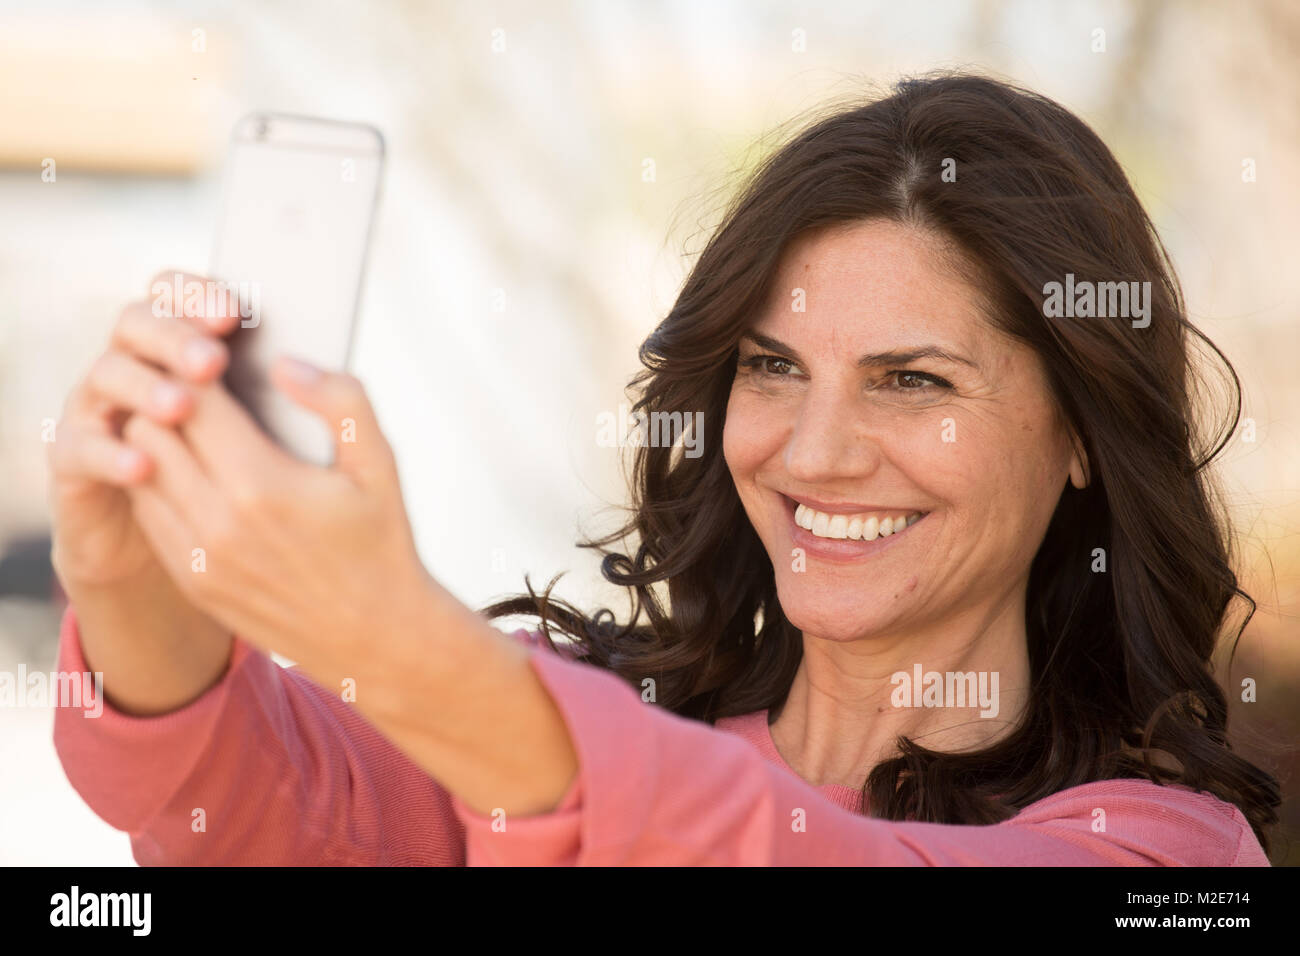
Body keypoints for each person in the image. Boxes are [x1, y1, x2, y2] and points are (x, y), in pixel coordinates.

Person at [49, 72, 1278, 865]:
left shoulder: (1162, 853)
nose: (814, 450)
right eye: (771, 367)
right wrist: (127, 569)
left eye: (912, 379)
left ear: (1078, 432)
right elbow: (238, 791)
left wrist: (400, 638)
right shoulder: (560, 718)